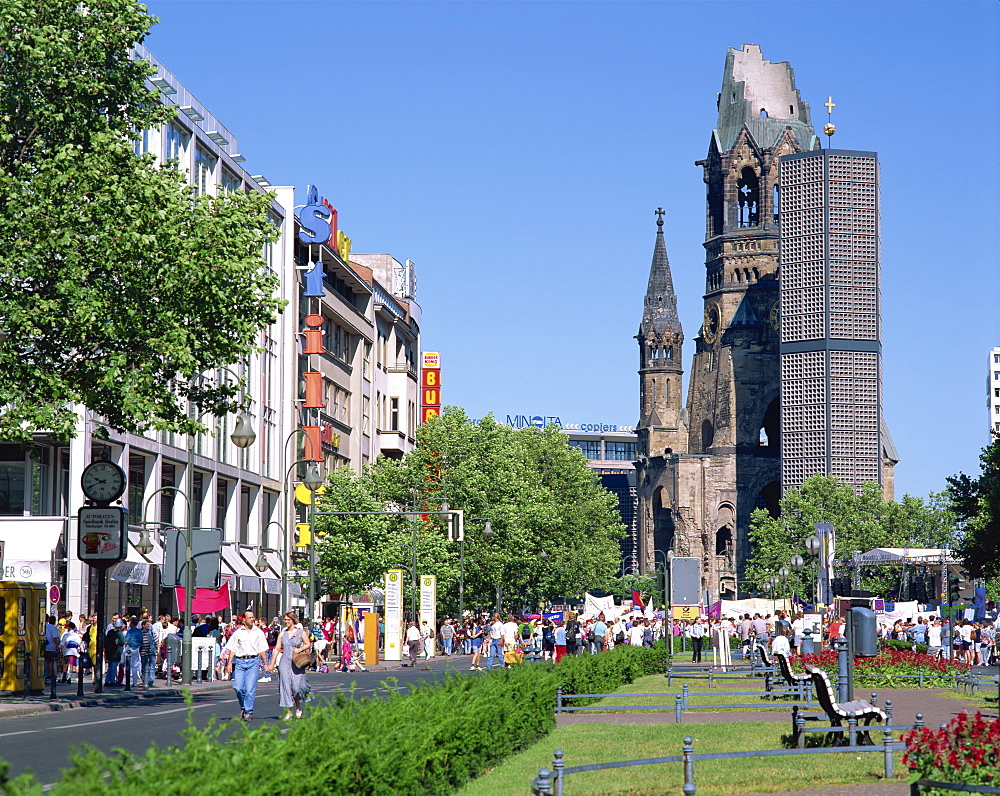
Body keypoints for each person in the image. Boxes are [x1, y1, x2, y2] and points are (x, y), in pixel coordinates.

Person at [224, 609, 269, 722]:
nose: (252, 619)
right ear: (243, 620)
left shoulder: (258, 632)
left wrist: (266, 665)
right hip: (240, 662)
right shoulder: (238, 633)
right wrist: (229, 664)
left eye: (253, 617)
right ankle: (243, 707)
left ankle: (248, 712)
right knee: (238, 688)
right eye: (249, 617)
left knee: (250, 689)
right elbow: (233, 649)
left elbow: (262, 649)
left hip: (253, 661)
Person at [266, 611, 311, 721]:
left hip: (297, 662)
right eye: (285, 620)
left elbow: (308, 643)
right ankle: (289, 711)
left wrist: (299, 649)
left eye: (288, 619)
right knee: (285, 687)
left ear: (293, 620)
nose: (286, 621)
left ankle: (298, 707)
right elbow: (277, 649)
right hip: (285, 662)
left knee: (297, 687)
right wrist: (271, 663)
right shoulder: (282, 634)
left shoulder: (301, 632)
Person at [123, 617, 143, 686]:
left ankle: (128, 682)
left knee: (128, 665)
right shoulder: (139, 631)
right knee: (135, 665)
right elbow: (141, 640)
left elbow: (126, 640)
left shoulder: (130, 631)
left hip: (130, 648)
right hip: (137, 648)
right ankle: (135, 682)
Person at [104, 619, 124, 686]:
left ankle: (107, 680)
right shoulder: (119, 633)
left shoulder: (110, 632)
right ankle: (112, 681)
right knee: (114, 666)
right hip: (116, 651)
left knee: (110, 666)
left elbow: (106, 642)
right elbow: (121, 642)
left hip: (109, 651)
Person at [139, 618, 158, 688]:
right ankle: (144, 679)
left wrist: (157, 648)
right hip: (143, 651)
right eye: (147, 624)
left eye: (149, 624)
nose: (149, 626)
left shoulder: (152, 632)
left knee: (152, 666)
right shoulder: (140, 633)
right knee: (143, 666)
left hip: (151, 651)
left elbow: (156, 640)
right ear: (143, 625)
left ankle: (151, 680)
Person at [44, 615, 61, 684]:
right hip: (50, 646)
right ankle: (49, 676)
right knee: (50, 661)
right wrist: (57, 646)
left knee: (44, 661)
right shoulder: (52, 627)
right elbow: (55, 638)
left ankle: (43, 675)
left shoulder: (39, 625)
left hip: (41, 646)